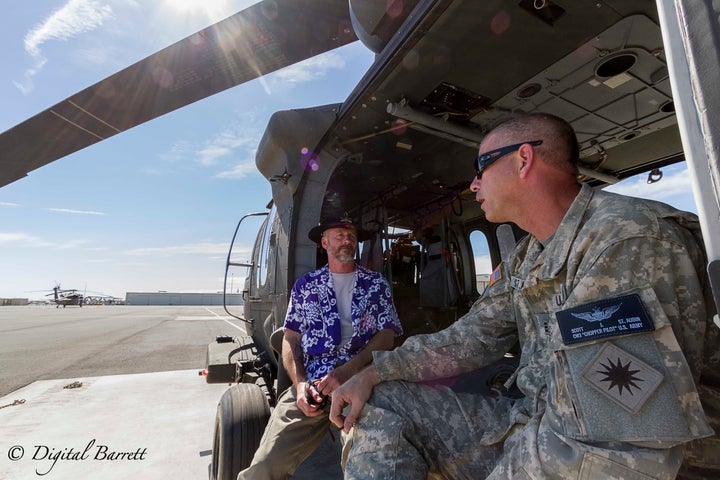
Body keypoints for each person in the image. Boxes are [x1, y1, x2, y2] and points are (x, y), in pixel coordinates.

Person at [330, 112, 719, 479]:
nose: (473, 185)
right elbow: (471, 338)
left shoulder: (627, 239)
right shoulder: (528, 255)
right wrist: (375, 372)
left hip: (634, 460)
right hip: (537, 423)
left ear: (523, 160)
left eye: (480, 170)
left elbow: (615, 444)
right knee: (382, 402)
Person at [238, 216, 403, 479]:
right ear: (324, 243)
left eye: (350, 235)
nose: (347, 240)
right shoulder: (306, 286)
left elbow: (386, 336)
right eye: (339, 235)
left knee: (379, 464)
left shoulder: (376, 285)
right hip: (314, 384)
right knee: (265, 466)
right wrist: (301, 384)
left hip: (362, 382)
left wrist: (347, 371)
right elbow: (290, 338)